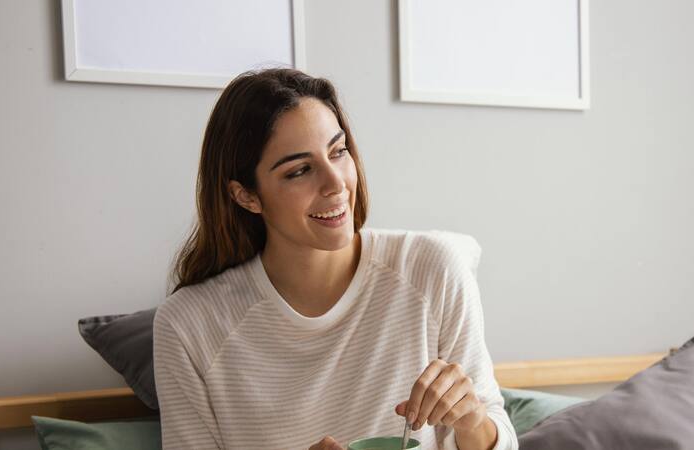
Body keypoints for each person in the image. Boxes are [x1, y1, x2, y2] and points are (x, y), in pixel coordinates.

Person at [154, 68, 518, 450]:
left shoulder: (432, 269)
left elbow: (499, 436)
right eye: (300, 170)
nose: (336, 183)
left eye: (338, 151)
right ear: (246, 195)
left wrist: (472, 420)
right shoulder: (188, 326)